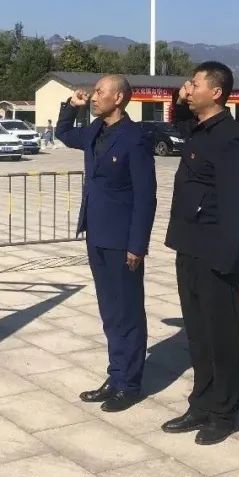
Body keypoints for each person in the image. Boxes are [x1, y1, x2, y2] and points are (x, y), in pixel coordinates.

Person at [162, 61, 239, 444]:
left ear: (216, 92)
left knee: (222, 337)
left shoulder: (230, 137)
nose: (189, 87)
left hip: (215, 251)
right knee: (198, 334)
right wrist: (179, 95)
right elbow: (178, 118)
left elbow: (234, 203)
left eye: (195, 83)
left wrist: (226, 258)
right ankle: (200, 403)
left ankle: (223, 412)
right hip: (189, 245)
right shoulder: (199, 129)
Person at [56, 76, 157, 412]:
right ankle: (115, 376)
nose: (94, 96)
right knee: (110, 312)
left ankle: (130, 384)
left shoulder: (134, 138)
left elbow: (145, 197)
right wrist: (71, 107)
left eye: (101, 92)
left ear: (119, 98)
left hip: (122, 239)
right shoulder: (95, 131)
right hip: (96, 233)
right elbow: (63, 134)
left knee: (128, 312)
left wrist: (137, 245)